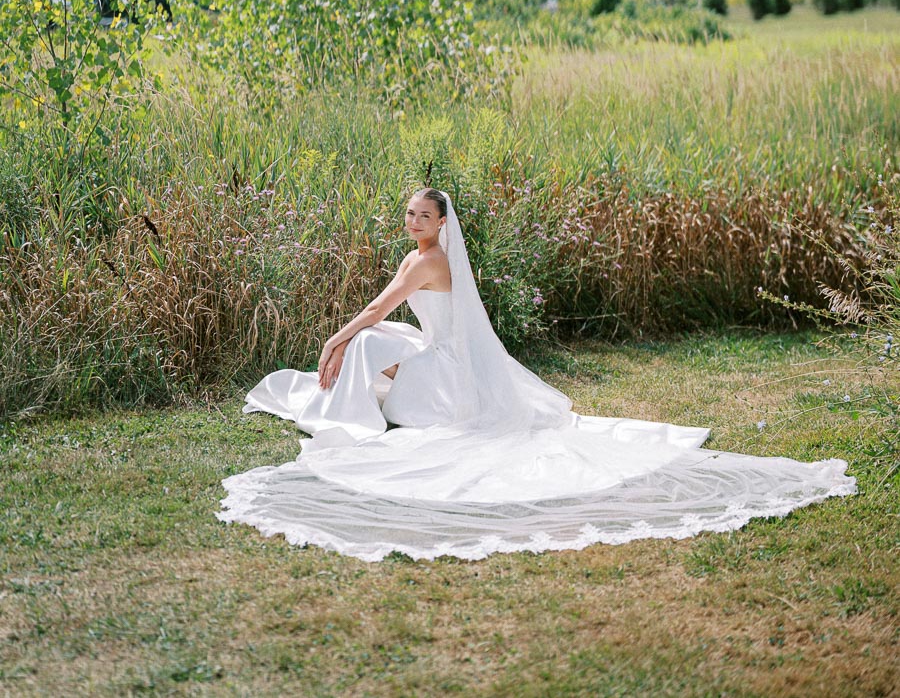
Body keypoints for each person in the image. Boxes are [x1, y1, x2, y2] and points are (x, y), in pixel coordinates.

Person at [219, 189, 855, 562]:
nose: (412, 223)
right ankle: (358, 401)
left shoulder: (425, 262)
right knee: (371, 346)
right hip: (449, 359)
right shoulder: (424, 257)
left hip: (448, 374)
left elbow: (378, 308)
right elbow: (390, 318)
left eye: (422, 217)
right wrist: (354, 339)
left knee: (363, 345)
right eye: (408, 215)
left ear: (442, 224)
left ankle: (351, 416)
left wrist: (334, 337)